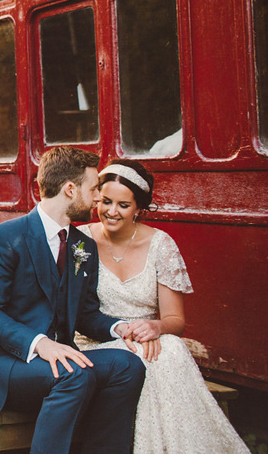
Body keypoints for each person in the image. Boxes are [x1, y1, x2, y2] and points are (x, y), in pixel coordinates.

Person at [0, 146, 146, 454]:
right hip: (4, 367)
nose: (97, 200)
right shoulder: (4, 238)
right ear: (70, 189)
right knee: (75, 374)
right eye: (93, 190)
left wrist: (121, 328)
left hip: (59, 364)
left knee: (127, 365)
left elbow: (86, 315)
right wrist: (41, 344)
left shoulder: (82, 246)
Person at [78, 159, 248, 454]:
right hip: (96, 341)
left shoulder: (161, 245)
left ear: (139, 209)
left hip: (149, 341)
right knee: (157, 355)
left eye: (123, 205)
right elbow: (75, 310)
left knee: (170, 348)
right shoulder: (80, 241)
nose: (111, 212)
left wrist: (155, 327)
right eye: (105, 201)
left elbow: (174, 320)